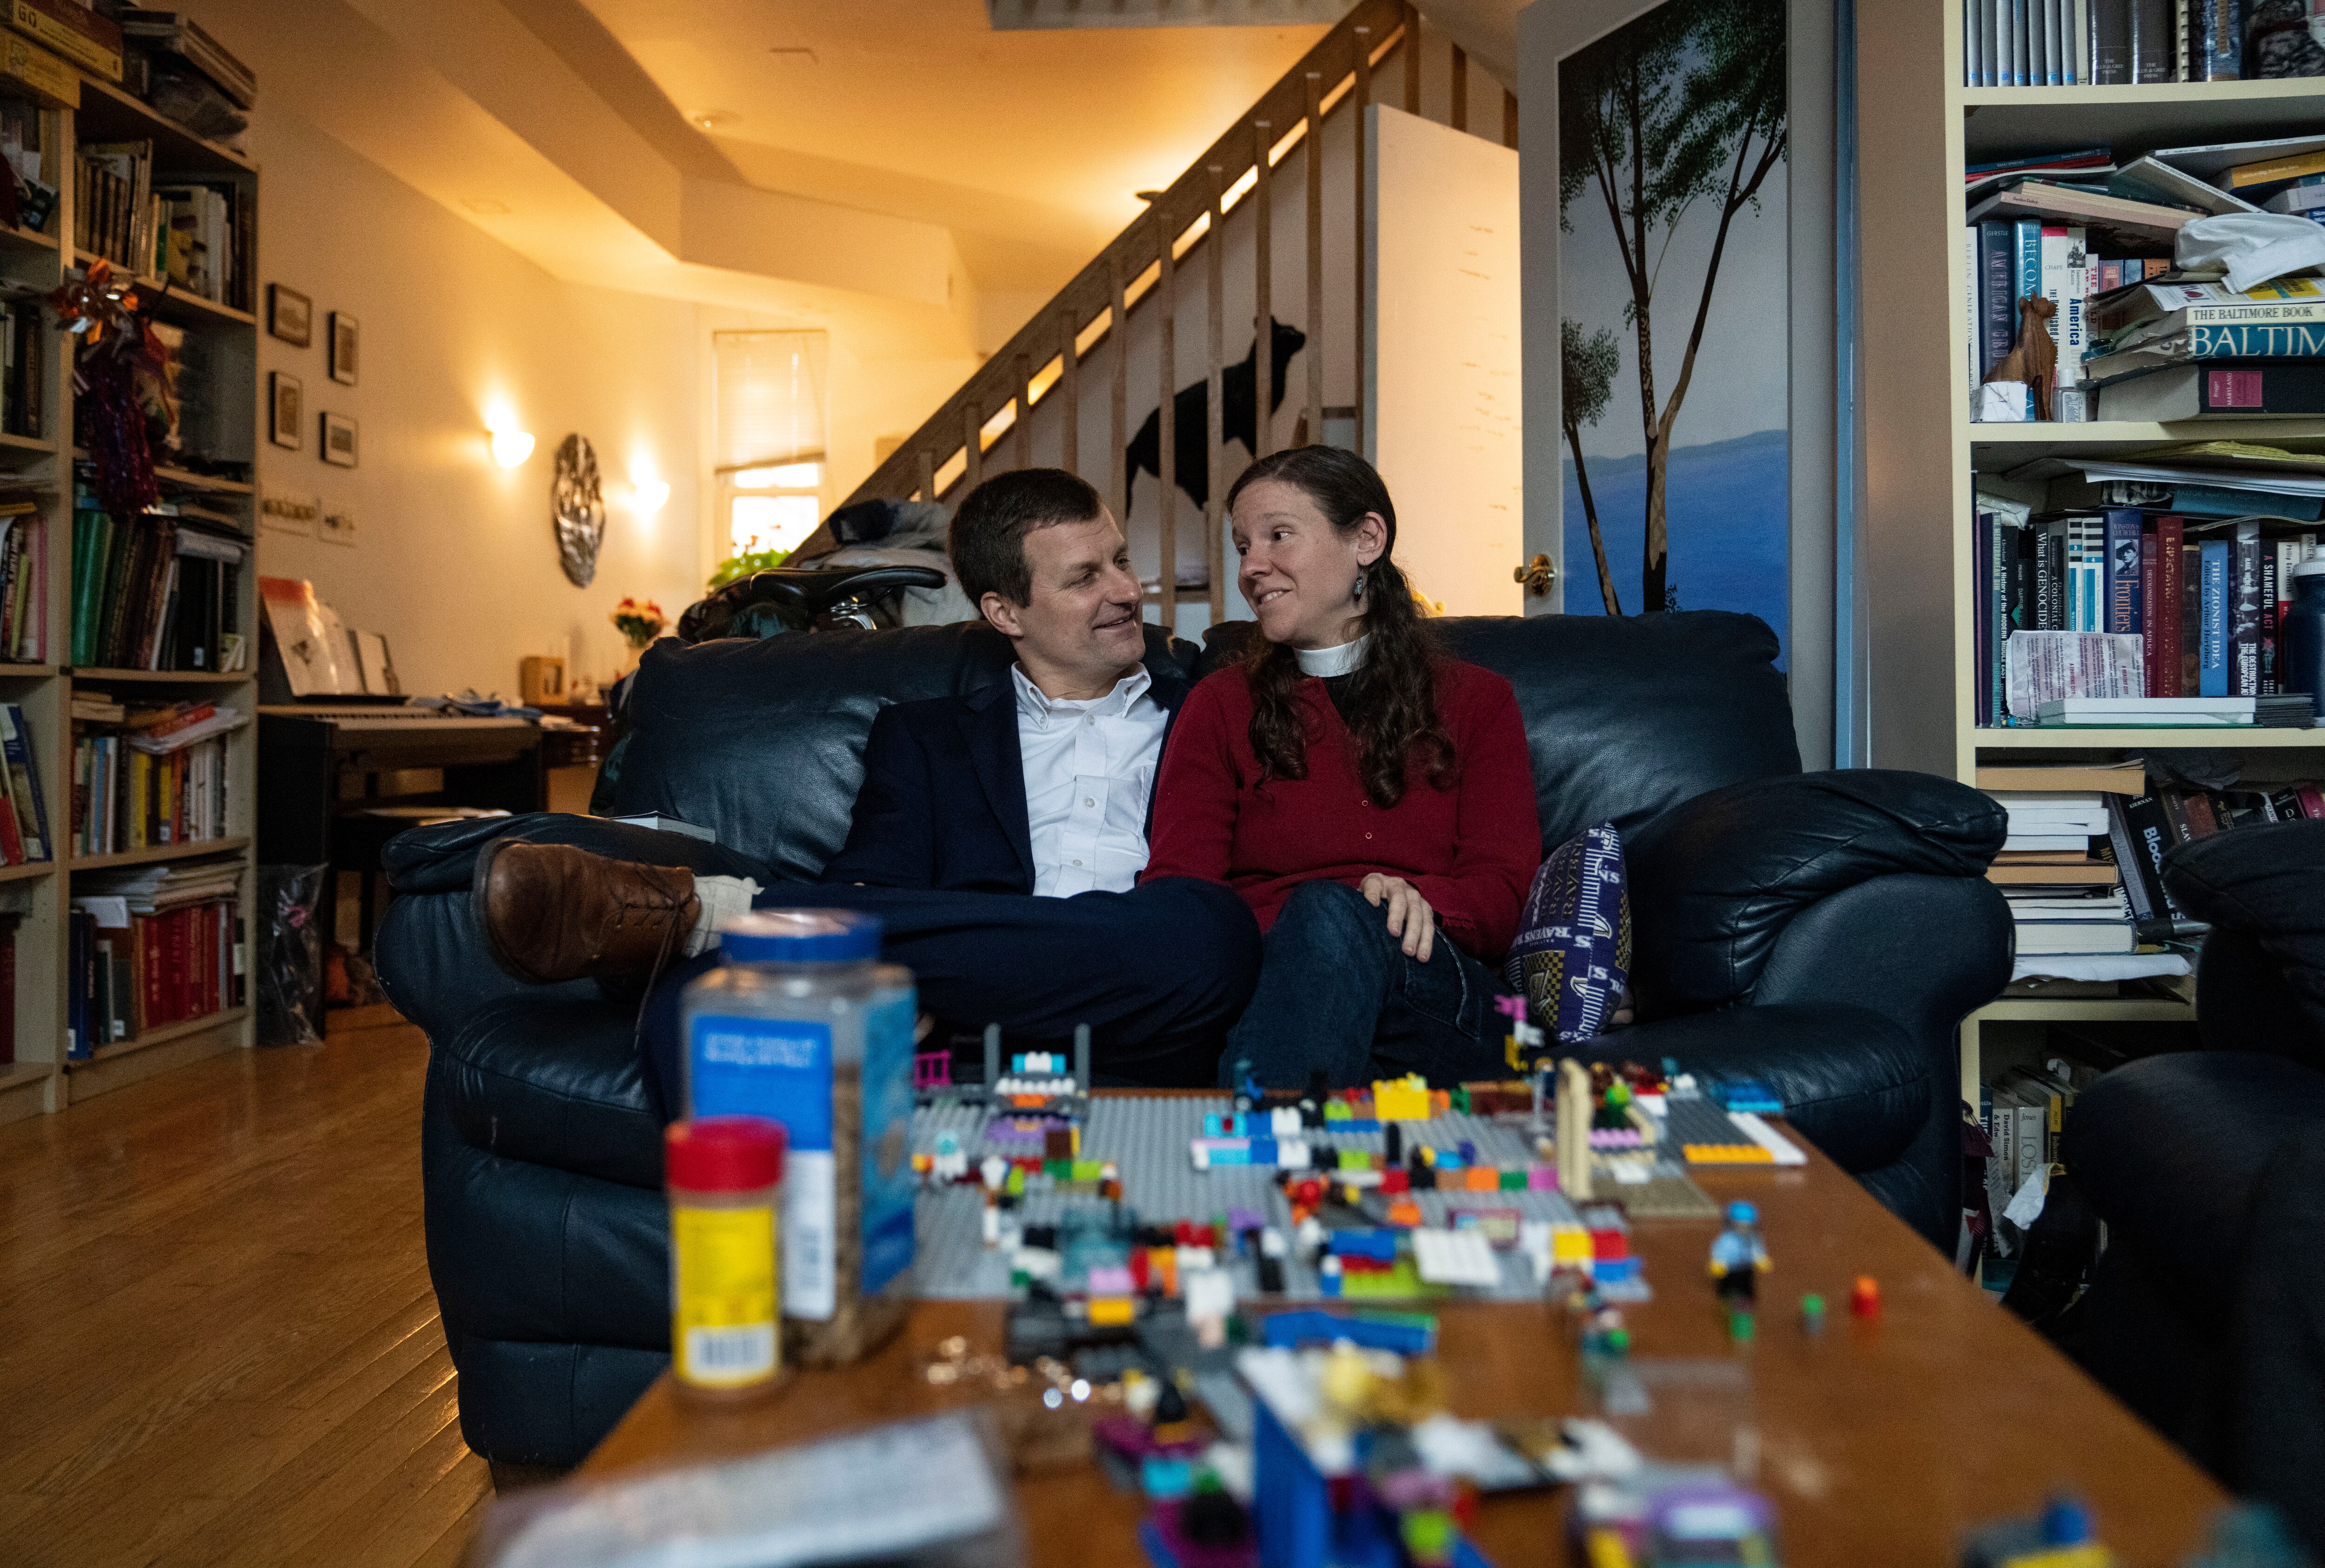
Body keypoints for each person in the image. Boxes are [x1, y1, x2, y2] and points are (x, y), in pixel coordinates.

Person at [473, 468, 1261, 1102]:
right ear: (1005, 610)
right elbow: (871, 885)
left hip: (1144, 1006)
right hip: (951, 1036)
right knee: (693, 1007)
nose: (1125, 590)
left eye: (1119, 559)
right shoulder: (927, 737)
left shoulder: (1211, 713)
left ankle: (722, 912)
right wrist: (924, 972)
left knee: (1207, 931)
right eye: (1085, 576)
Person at [1142, 446, 1540, 1089]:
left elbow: (1502, 896)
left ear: (1366, 538)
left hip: (1440, 993)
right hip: (1279, 986)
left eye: (1278, 536)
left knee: (1331, 913)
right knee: (1321, 924)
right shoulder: (1218, 706)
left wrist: (1417, 902)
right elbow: (1181, 896)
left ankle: (1257, 1166)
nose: (1251, 567)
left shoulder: (1478, 701)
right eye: (1243, 545)